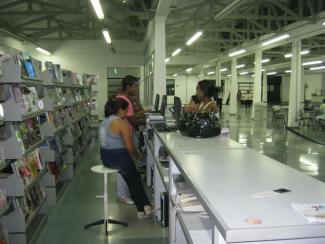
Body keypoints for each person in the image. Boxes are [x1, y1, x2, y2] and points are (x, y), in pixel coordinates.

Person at [99, 98, 152, 219]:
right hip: (118, 158)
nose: (126, 113)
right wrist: (137, 156)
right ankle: (141, 210)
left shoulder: (104, 121)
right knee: (135, 181)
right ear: (120, 110)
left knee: (134, 177)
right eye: (125, 110)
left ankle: (147, 206)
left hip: (105, 157)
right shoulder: (121, 123)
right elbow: (129, 147)